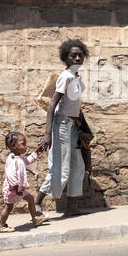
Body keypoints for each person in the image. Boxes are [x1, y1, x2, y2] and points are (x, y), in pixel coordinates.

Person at [35, 39, 89, 217]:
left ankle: (71, 207)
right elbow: (52, 105)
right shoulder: (66, 76)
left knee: (77, 166)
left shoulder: (75, 77)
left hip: (72, 126)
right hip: (62, 126)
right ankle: (36, 202)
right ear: (65, 58)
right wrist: (47, 133)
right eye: (73, 55)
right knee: (61, 168)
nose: (77, 58)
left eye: (80, 55)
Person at [0, 132, 46, 233]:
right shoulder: (11, 159)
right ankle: (1, 226)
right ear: (14, 146)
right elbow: (10, 175)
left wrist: (36, 152)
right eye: (23, 144)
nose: (26, 146)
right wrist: (16, 188)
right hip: (12, 188)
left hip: (19, 188)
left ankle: (35, 218)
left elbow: (28, 160)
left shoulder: (18, 157)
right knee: (9, 207)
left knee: (31, 199)